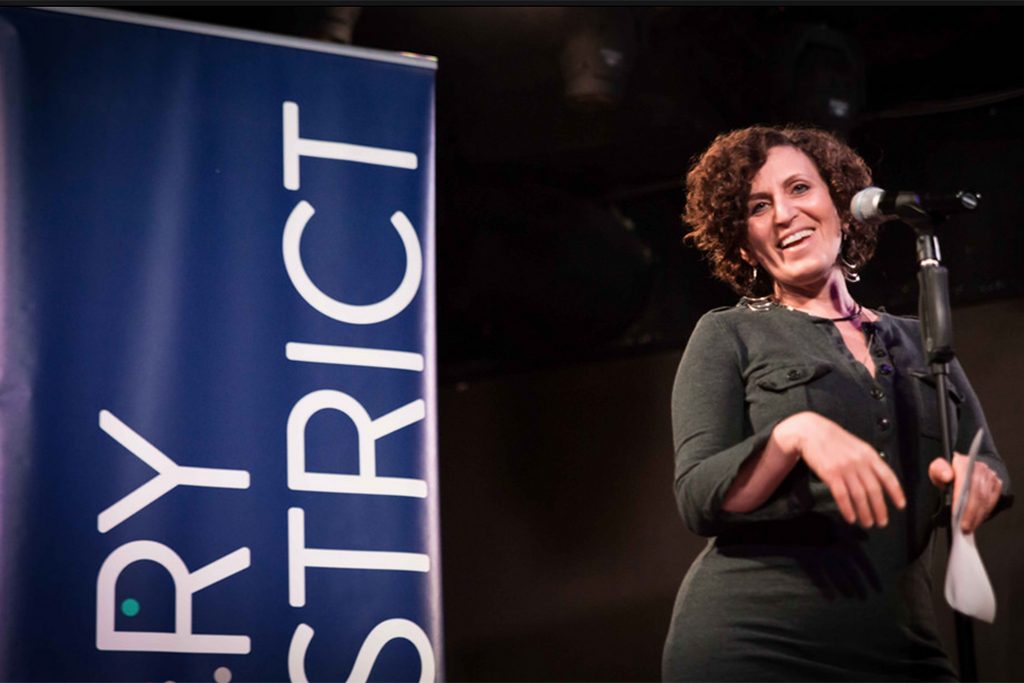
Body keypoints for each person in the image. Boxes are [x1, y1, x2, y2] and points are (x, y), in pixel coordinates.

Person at [662, 125, 1013, 681]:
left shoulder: (918, 338)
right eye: (758, 206)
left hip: (902, 645)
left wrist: (979, 481)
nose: (784, 214)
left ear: (844, 208)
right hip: (759, 645)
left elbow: (985, 458)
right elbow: (698, 498)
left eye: (800, 188)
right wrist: (793, 435)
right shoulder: (728, 334)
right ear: (742, 243)